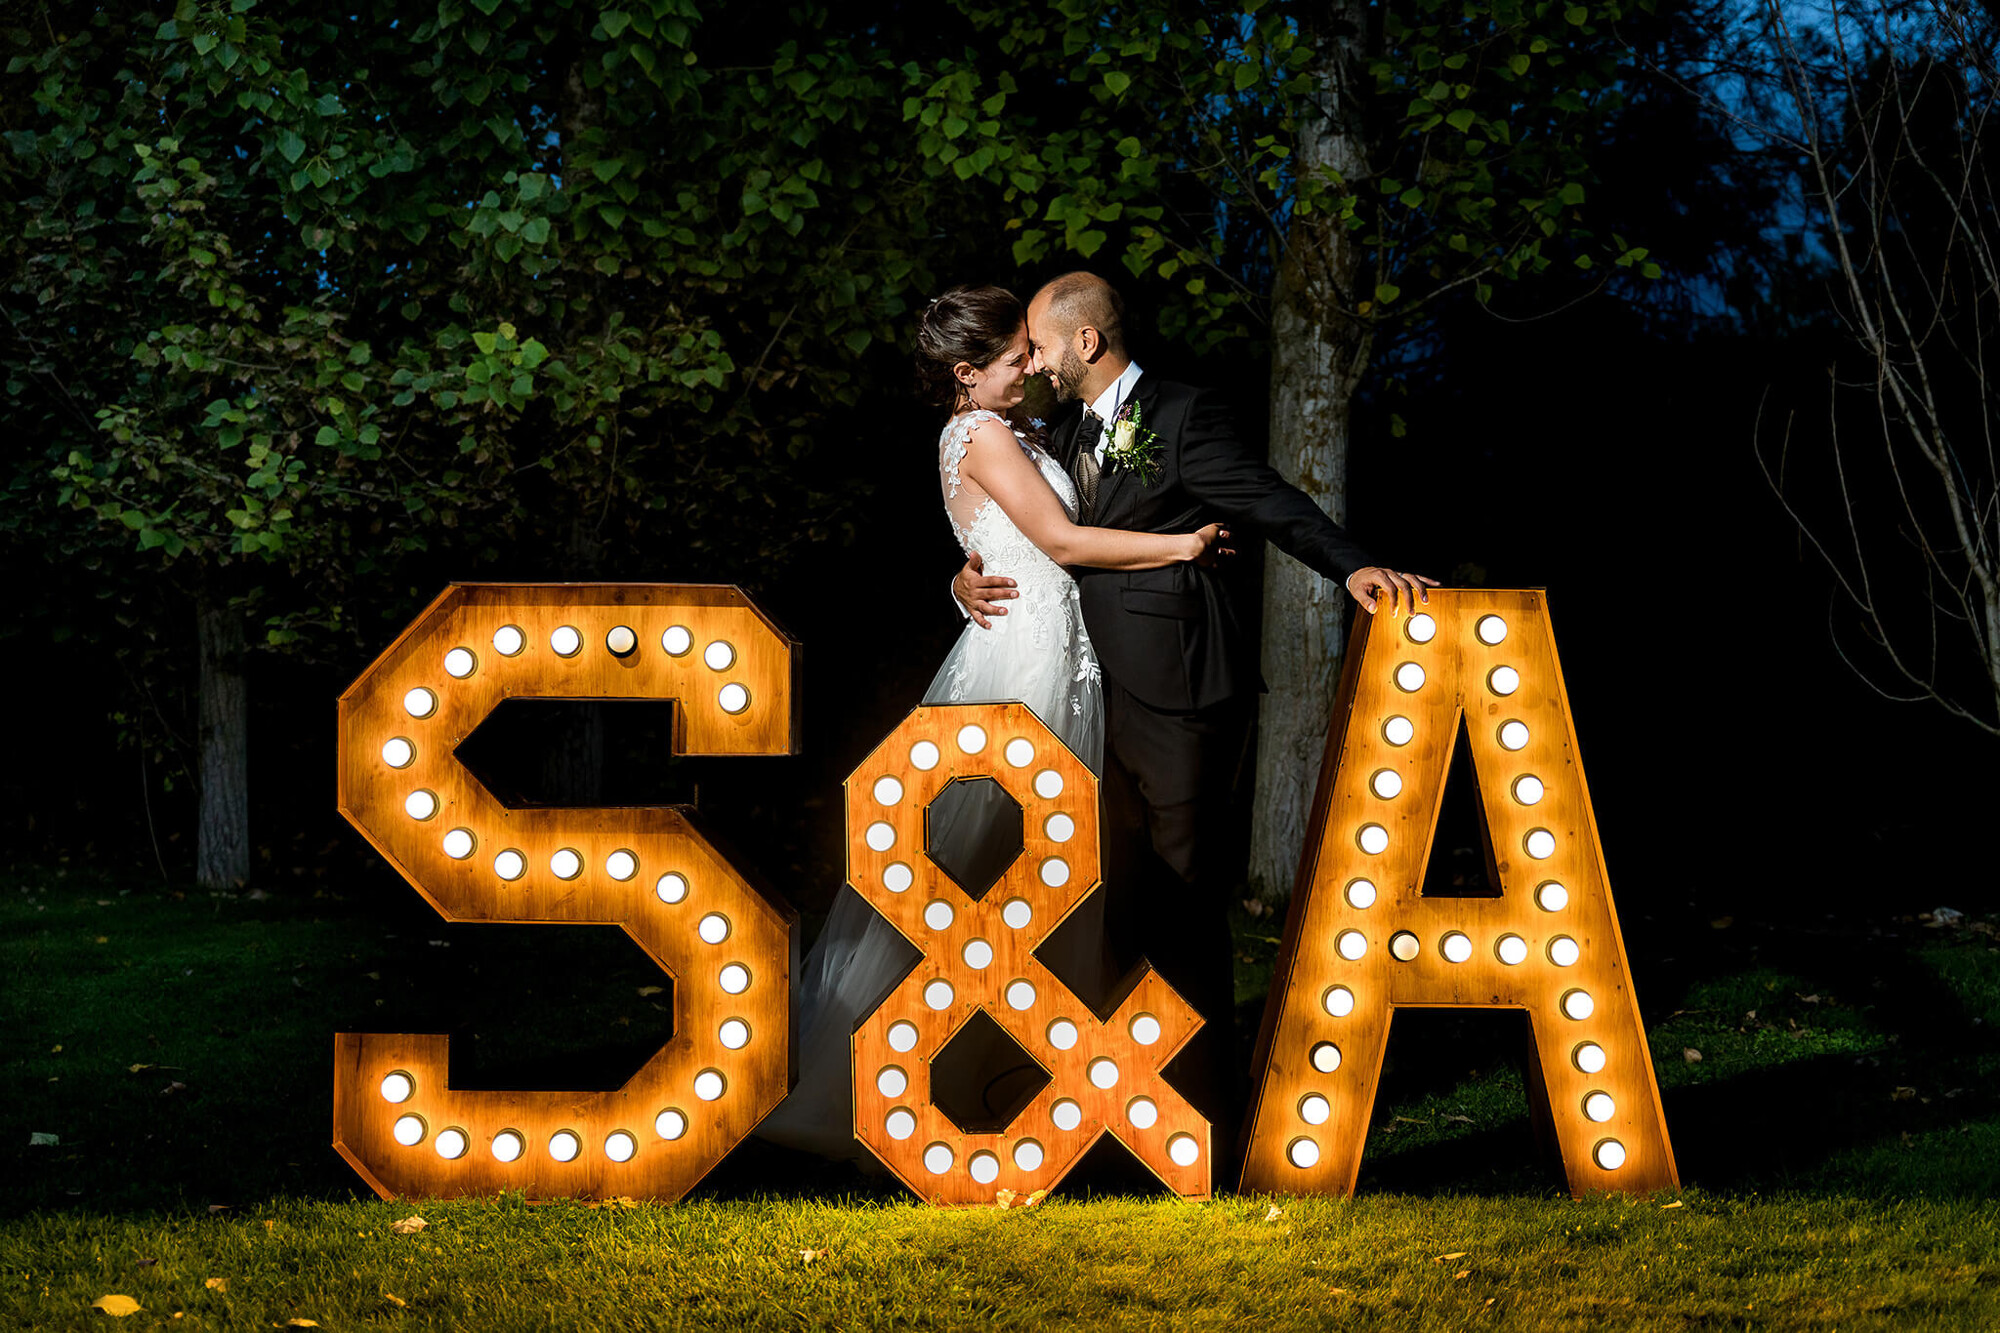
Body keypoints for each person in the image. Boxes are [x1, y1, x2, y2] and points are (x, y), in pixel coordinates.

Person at [952, 271, 1435, 1174]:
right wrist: (960, 577)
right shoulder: (1049, 430)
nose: (1033, 359)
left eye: (1039, 343)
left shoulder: (1182, 415)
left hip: (1176, 691)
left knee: (1181, 900)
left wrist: (1354, 567)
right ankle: (1113, 1107)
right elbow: (1020, 528)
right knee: (1105, 898)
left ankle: (1201, 1124)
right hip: (1080, 691)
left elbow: (1268, 498)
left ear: (1083, 343)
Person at [754, 284, 1226, 1161]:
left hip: (1056, 654)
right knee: (990, 864)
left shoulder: (1011, 431)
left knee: (1041, 875)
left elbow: (993, 542)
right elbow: (1063, 542)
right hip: (1025, 669)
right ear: (969, 374)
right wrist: (1183, 544)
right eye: (1016, 360)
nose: (1033, 368)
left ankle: (1022, 1075)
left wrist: (959, 580)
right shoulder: (983, 432)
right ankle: (908, 1074)